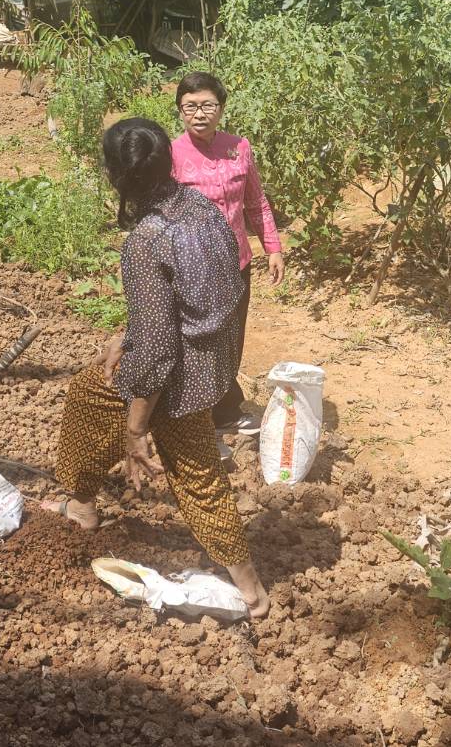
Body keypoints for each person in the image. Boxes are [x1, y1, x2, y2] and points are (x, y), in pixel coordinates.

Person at [45, 117, 270, 619]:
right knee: (88, 394)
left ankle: (251, 590)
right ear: (168, 161)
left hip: (177, 378)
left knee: (195, 474)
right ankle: (81, 503)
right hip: (212, 365)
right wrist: (128, 334)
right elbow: (203, 295)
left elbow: (157, 350)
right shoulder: (201, 208)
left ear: (115, 177)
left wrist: (136, 427)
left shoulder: (146, 239)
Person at [169, 71, 284, 434]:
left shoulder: (240, 148)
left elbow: (256, 203)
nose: (199, 114)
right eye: (190, 107)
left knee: (233, 338)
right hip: (193, 265)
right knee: (199, 340)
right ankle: (196, 413)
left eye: (208, 105)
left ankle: (226, 413)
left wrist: (273, 247)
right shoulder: (171, 154)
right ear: (180, 111)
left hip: (236, 263)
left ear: (221, 109)